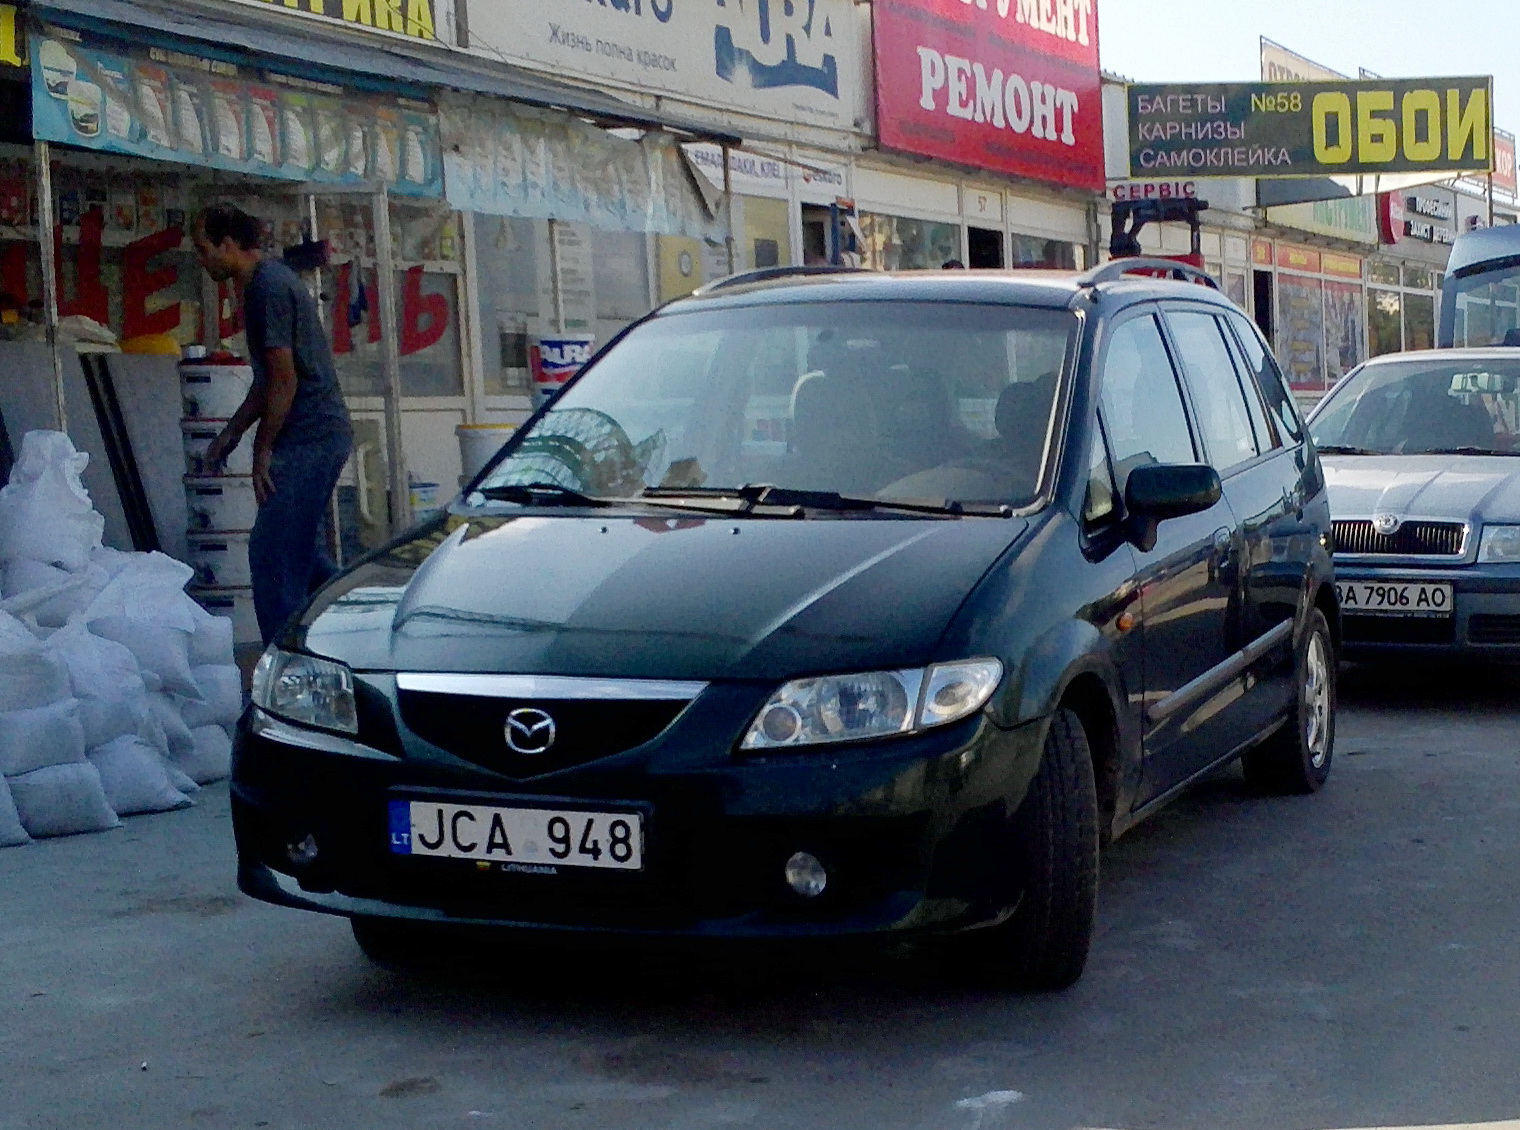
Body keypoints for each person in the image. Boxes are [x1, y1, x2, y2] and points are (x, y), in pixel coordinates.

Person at [193, 204, 352, 645]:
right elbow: (267, 383)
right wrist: (233, 432)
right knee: (305, 557)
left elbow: (285, 379)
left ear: (229, 246)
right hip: (310, 435)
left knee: (272, 555)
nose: (201, 261)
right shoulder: (263, 285)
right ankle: (358, 626)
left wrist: (262, 450)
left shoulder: (268, 289)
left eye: (204, 250)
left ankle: (281, 671)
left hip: (312, 436)